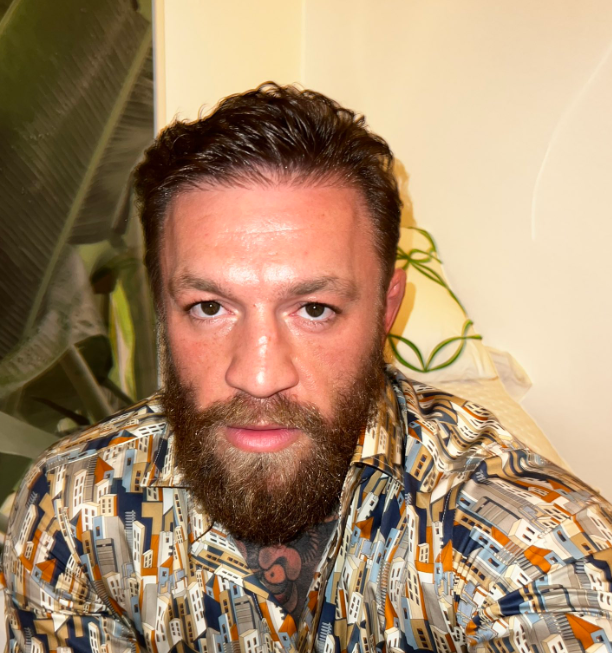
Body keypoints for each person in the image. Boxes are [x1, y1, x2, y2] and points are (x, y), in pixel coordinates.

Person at [3, 83, 612, 653]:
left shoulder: (533, 554)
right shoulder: (75, 509)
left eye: (314, 309)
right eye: (209, 307)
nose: (259, 376)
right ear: (162, 310)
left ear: (387, 310)